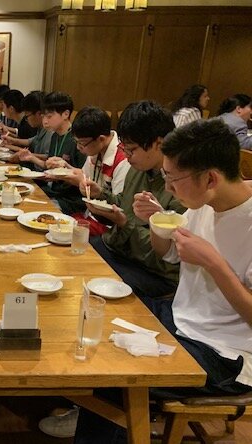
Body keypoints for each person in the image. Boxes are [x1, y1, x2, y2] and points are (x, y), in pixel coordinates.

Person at [70, 118, 252, 444]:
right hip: (181, 318)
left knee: (120, 369)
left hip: (227, 353)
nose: (167, 187)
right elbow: (166, 254)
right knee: (95, 318)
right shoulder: (202, 201)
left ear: (210, 179)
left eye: (172, 179)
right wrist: (157, 222)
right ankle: (95, 424)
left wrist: (214, 263)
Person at [80, 100, 186, 303]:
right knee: (80, 253)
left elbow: (170, 254)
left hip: (155, 271)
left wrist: (124, 223)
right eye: (124, 149)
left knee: (98, 285)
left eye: (132, 150)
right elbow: (124, 202)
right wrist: (101, 195)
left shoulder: (181, 183)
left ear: (159, 143)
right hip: (122, 250)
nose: (127, 157)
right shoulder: (138, 169)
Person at [68, 107, 130, 235]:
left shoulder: (123, 160)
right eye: (76, 142)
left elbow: (119, 207)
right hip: (91, 216)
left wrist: (96, 192)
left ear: (101, 139)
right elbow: (84, 176)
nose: (78, 148)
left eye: (82, 143)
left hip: (110, 227)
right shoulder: (95, 149)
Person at [35, 91, 87, 215]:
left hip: (70, 200)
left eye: (49, 116)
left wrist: (60, 176)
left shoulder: (78, 139)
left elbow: (84, 176)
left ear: (66, 114)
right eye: (43, 116)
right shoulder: (55, 136)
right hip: (54, 192)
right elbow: (50, 167)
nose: (45, 121)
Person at [3, 90, 53, 166]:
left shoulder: (50, 132)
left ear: (39, 114)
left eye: (27, 116)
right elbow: (32, 141)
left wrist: (25, 155)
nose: (26, 119)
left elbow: (48, 158)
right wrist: (13, 141)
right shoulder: (41, 128)